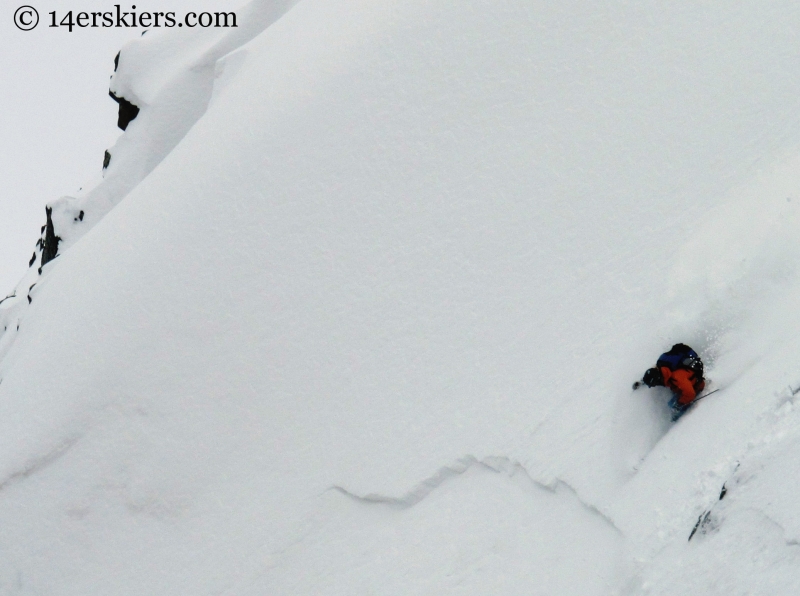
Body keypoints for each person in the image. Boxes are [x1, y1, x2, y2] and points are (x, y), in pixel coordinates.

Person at [641, 343, 706, 419]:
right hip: (684, 387)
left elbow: (690, 393)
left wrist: (679, 404)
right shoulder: (662, 369)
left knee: (672, 405)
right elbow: (653, 372)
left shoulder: (676, 377)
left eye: (655, 384)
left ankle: (680, 423)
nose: (656, 385)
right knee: (671, 404)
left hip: (697, 387)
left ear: (658, 379)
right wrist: (643, 382)